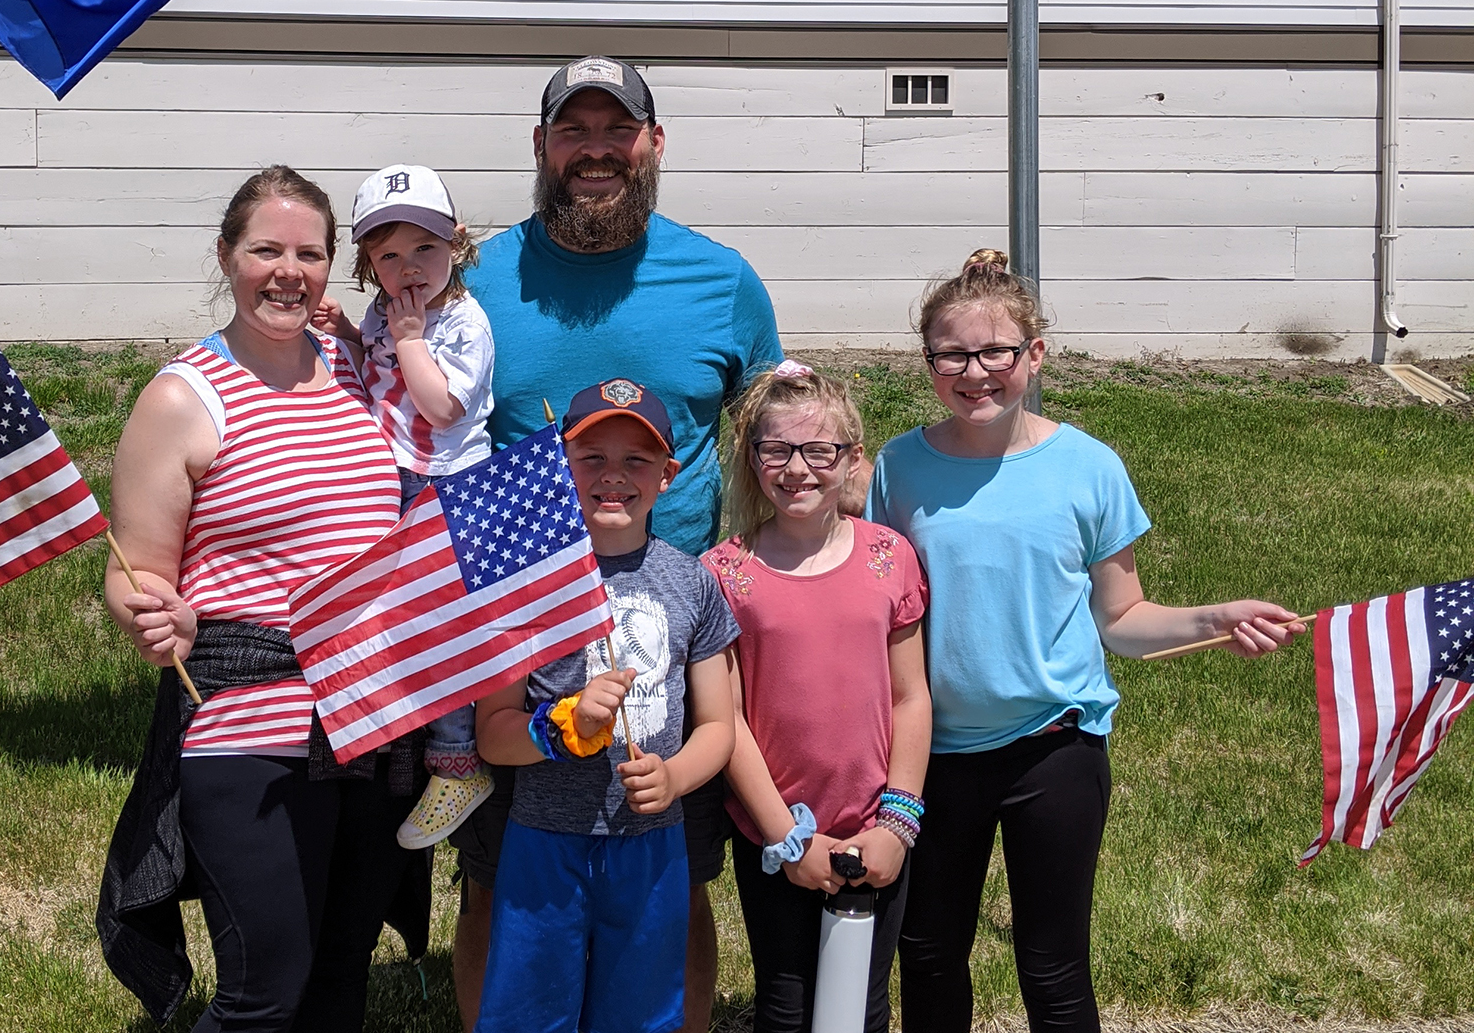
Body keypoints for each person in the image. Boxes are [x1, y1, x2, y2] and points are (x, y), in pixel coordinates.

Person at [866, 249, 1306, 1033]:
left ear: (1034, 355)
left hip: (1054, 747)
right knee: (929, 951)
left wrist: (1215, 618)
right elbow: (875, 612)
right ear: (928, 362)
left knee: (1053, 961)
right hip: (930, 752)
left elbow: (1123, 620)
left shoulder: (1090, 468)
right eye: (952, 355)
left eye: (995, 351)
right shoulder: (898, 469)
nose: (975, 372)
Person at [455, 55, 786, 1033]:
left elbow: (777, 440)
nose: (595, 151)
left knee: (676, 888)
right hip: (513, 638)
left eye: (618, 131)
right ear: (542, 145)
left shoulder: (722, 281)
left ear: (653, 145)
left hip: (668, 634)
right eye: (574, 131)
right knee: (491, 887)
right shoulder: (478, 282)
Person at [96, 165, 428, 1033]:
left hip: (377, 713)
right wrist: (151, 614)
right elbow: (133, 571)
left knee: (339, 984)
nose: (289, 270)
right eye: (266, 250)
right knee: (263, 995)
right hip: (250, 722)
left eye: (310, 253)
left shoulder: (360, 368)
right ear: (226, 256)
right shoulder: (181, 398)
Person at [472, 378, 738, 1033]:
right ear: (561, 465)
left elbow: (719, 727)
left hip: (651, 844)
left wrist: (675, 776)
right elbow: (493, 734)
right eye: (591, 457)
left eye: (636, 460)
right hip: (545, 841)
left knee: (643, 1013)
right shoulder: (526, 583)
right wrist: (564, 725)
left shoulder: (691, 582)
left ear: (668, 475)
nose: (612, 476)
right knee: (531, 1013)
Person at [705, 360, 931, 1032]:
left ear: (852, 457)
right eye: (776, 449)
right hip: (772, 830)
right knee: (785, 1001)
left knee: (861, 1004)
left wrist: (897, 823)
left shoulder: (890, 557)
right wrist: (785, 837)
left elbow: (911, 698)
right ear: (752, 457)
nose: (796, 468)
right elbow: (730, 721)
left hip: (878, 825)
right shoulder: (724, 572)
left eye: (818, 450)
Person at [313, 163, 499, 850]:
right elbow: (383, 373)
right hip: (390, 476)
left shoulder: (462, 323)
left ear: (457, 243)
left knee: (442, 623)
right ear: (369, 266)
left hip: (444, 486)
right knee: (386, 611)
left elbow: (444, 406)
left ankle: (457, 762)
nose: (409, 267)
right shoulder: (388, 315)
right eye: (388, 256)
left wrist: (413, 338)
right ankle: (392, 741)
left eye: (424, 247)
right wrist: (358, 338)